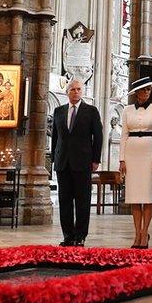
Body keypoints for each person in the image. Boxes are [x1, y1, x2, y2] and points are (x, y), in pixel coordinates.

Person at [51, 79, 102, 247]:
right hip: (63, 162)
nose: (76, 92)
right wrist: (53, 158)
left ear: (82, 91)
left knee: (82, 200)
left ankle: (80, 236)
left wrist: (96, 159)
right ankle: (68, 235)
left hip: (83, 161)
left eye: (79, 89)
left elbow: (98, 137)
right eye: (73, 89)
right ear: (67, 92)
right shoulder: (59, 111)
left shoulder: (91, 111)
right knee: (64, 200)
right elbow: (55, 137)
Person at [120, 77, 152, 248]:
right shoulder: (127, 110)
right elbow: (123, 135)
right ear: (136, 93)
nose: (146, 92)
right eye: (143, 90)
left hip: (150, 151)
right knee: (135, 196)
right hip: (131, 152)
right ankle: (137, 233)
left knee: (147, 195)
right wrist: (122, 159)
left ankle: (145, 232)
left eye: (149, 90)